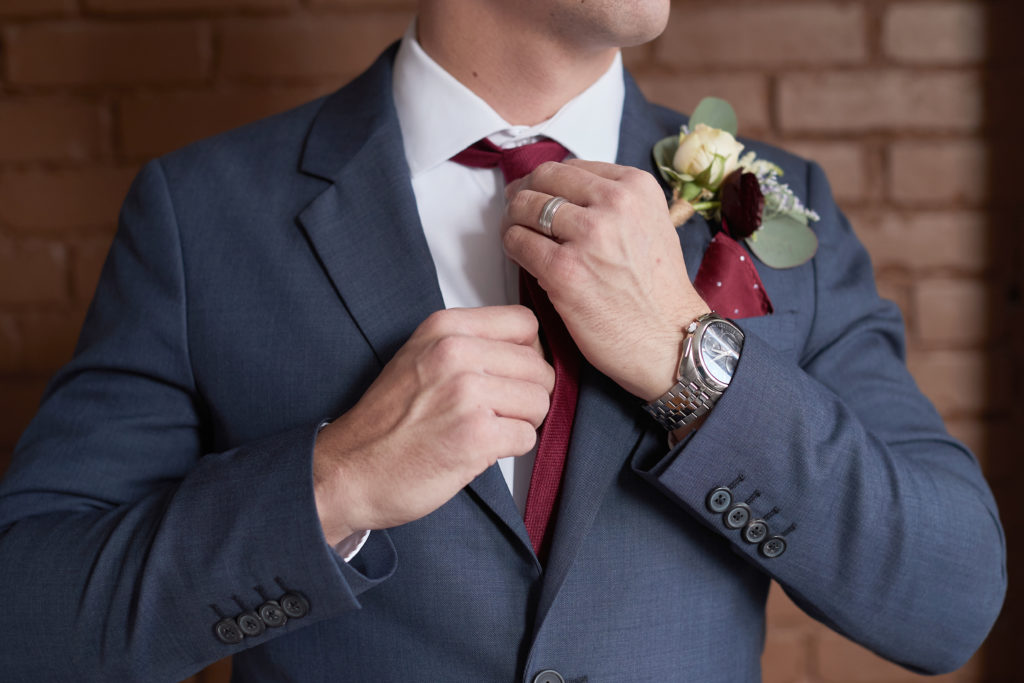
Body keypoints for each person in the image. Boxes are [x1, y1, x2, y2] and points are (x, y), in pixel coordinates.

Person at [0, 1, 1006, 681]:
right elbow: (26, 612)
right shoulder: (204, 215)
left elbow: (947, 597)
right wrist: (334, 481)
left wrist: (690, 363)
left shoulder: (777, 212)